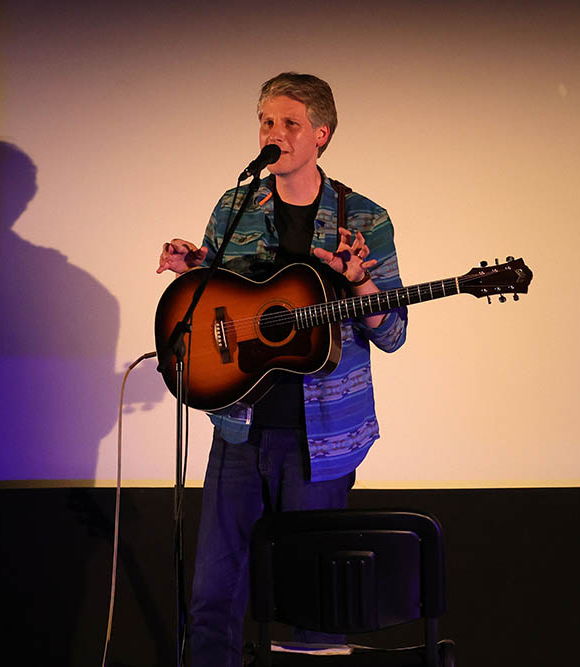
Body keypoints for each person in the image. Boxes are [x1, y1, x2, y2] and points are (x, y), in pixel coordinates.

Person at [156, 72, 408, 666]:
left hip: (321, 437)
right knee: (214, 593)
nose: (275, 134)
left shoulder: (365, 219)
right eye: (267, 121)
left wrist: (360, 281)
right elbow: (220, 297)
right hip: (240, 426)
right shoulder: (236, 203)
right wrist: (193, 267)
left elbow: (393, 332)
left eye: (290, 123)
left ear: (321, 134)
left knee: (313, 599)